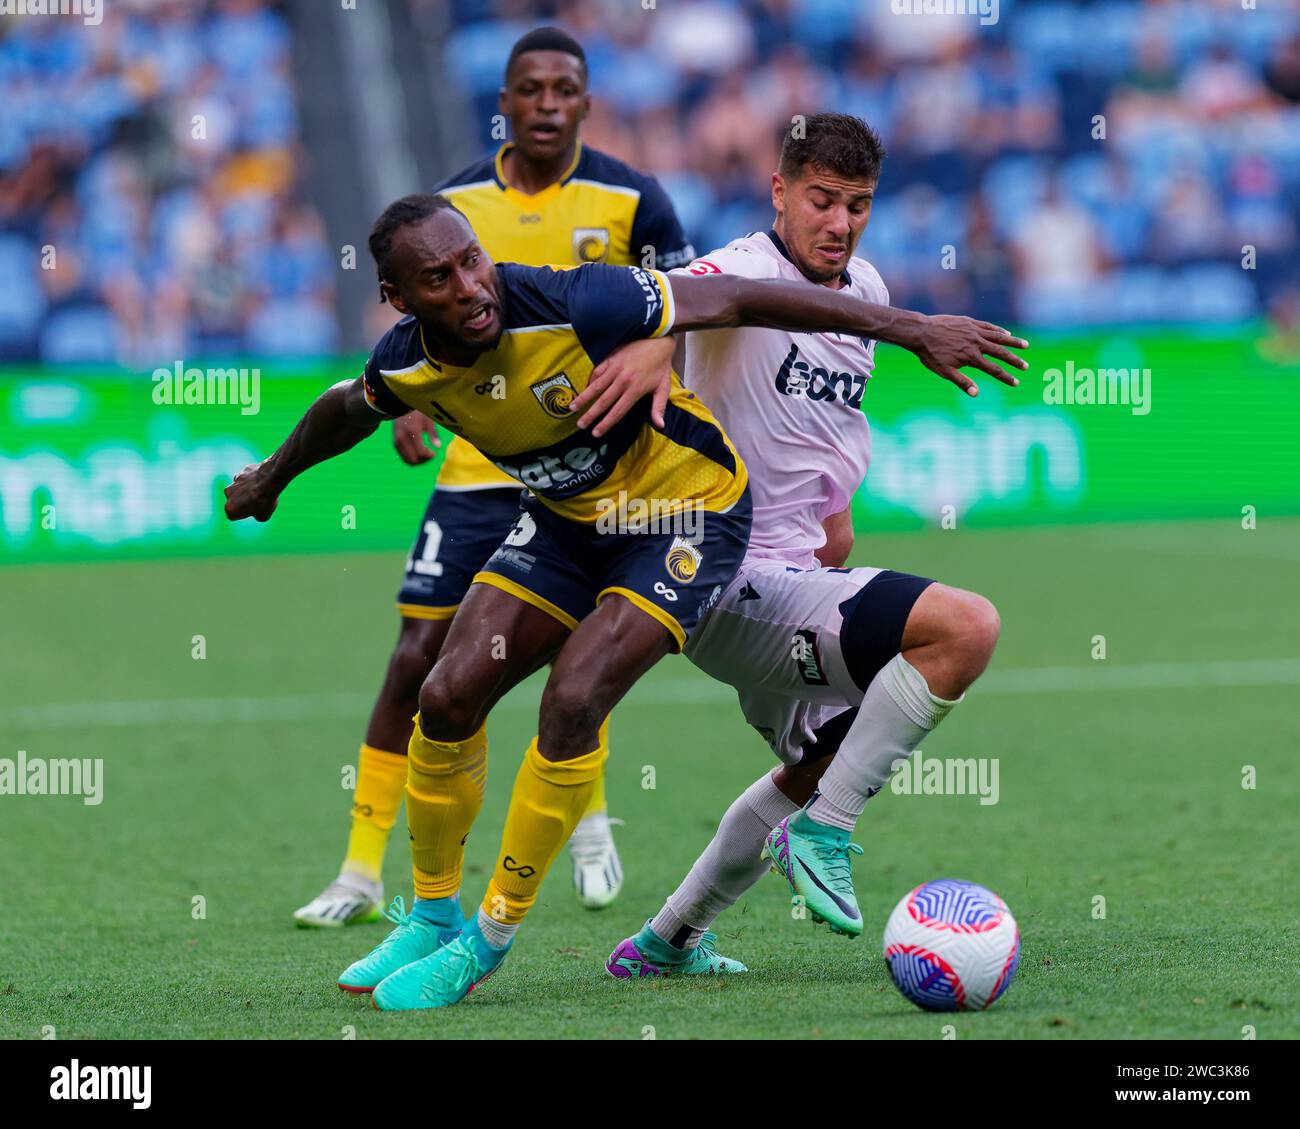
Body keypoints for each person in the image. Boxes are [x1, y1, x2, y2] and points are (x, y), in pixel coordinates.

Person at [223, 192, 1026, 1011]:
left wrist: (914, 327)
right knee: (445, 690)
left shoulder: (577, 297)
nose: (471, 287)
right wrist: (268, 479)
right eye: (440, 278)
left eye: (473, 261)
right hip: (570, 524)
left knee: (574, 698)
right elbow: (345, 408)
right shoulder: (408, 361)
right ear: (398, 299)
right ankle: (433, 915)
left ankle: (489, 937)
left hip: (686, 514)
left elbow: (738, 297)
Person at [604, 114, 1024, 977]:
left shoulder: (863, 286)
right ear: (781, 193)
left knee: (833, 754)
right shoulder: (738, 269)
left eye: (858, 205)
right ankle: (826, 832)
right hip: (723, 579)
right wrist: (653, 347)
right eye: (822, 200)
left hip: (800, 578)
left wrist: (835, 531)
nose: (839, 222)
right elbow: (676, 301)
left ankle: (663, 941)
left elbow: (823, 442)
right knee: (965, 628)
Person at [293, 27, 694, 927]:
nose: (548, 104)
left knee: (578, 653)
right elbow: (409, 324)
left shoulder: (637, 198)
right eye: (530, 89)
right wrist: (405, 404)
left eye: (565, 90)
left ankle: (587, 820)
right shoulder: (453, 202)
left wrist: (662, 355)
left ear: (586, 103)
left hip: (593, 460)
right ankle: (360, 872)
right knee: (417, 659)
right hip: (482, 464)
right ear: (503, 102)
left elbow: (686, 301)